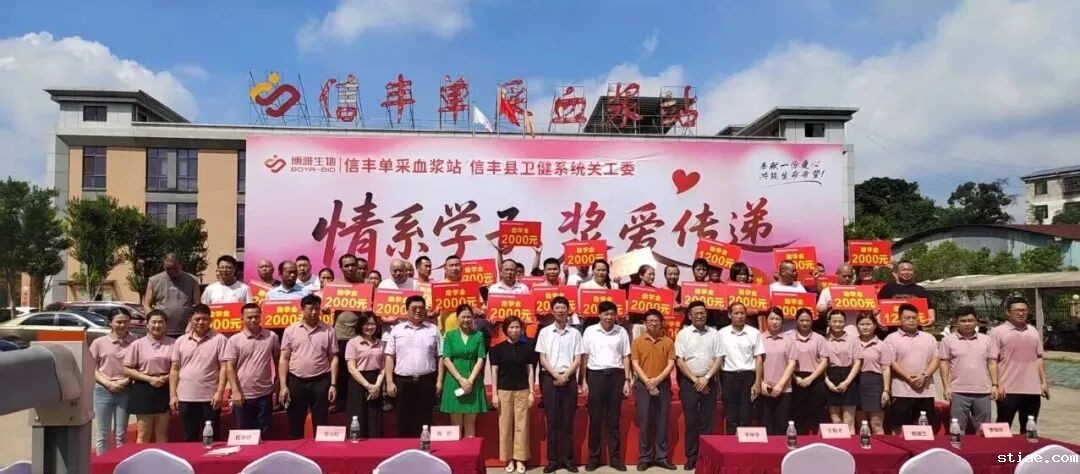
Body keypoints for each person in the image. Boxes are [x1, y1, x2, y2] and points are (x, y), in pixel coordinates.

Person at [279, 294, 339, 439]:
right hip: (296, 381)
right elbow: (284, 358)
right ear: (302, 309)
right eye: (310, 309)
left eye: (317, 309)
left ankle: (321, 450)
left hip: (321, 381)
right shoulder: (291, 330)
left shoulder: (328, 330)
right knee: (295, 421)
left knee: (321, 421)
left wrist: (333, 384)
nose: (314, 313)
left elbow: (334, 358)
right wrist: (283, 386)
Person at [535, 296, 584, 473]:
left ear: (568, 311)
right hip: (550, 378)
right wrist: (556, 375)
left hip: (569, 379)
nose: (561, 311)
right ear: (552, 310)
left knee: (567, 421)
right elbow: (542, 358)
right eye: (557, 307)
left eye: (563, 307)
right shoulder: (545, 332)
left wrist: (566, 376)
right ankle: (553, 460)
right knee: (553, 421)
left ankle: (568, 459)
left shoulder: (575, 333)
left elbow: (578, 358)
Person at [581, 301, 631, 472]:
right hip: (595, 375)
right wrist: (584, 381)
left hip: (616, 376)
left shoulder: (621, 331)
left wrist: (627, 380)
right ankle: (593, 458)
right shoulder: (590, 331)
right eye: (606, 314)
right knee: (595, 420)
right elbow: (585, 357)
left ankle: (615, 458)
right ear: (599, 315)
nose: (609, 317)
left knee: (614, 420)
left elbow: (626, 357)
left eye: (612, 314)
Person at [385, 295, 444, 437]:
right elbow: (389, 356)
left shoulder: (433, 329)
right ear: (406, 310)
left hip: (427, 381)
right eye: (414, 308)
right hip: (403, 382)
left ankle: (424, 447)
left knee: (425, 420)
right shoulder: (397, 330)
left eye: (421, 308)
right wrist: (389, 381)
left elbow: (440, 356)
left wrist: (439, 380)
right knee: (403, 420)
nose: (418, 311)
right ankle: (405, 447)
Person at [169, 304, 228, 442]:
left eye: (205, 319)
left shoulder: (220, 339)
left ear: (210, 320)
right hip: (185, 397)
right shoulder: (181, 341)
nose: (201, 322)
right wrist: (173, 395)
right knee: (189, 438)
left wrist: (220, 392)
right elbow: (175, 369)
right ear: (190, 320)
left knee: (211, 438)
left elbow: (224, 367)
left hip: (210, 398)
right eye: (197, 319)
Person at [674, 301, 721, 471]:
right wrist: (695, 380)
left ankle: (705, 457)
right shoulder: (683, 334)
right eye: (696, 313)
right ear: (689, 316)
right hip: (689, 382)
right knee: (692, 421)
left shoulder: (714, 333)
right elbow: (679, 360)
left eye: (702, 313)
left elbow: (719, 358)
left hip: (709, 381)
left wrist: (706, 378)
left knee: (707, 422)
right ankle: (691, 457)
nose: (700, 316)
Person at [990, 295, 1048, 433]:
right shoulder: (997, 332)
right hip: (1007, 390)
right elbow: (992, 361)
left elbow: (1039, 358)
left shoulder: (1033, 331)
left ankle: (1028, 448)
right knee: (1003, 427)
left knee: (1029, 429)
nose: (1021, 313)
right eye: (1017, 310)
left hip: (1032, 389)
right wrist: (996, 384)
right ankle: (1000, 448)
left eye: (1024, 310)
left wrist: (1044, 382)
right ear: (1008, 312)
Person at [223, 303, 280, 438]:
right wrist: (235, 391)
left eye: (256, 316)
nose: (253, 320)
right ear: (242, 318)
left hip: (264, 394)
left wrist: (277, 380)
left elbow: (278, 359)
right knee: (244, 435)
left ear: (261, 317)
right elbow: (229, 367)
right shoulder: (234, 340)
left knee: (265, 434)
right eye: (249, 317)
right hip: (242, 395)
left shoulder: (271, 337)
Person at [940, 306, 999, 434]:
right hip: (958, 392)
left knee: (983, 429)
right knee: (957, 429)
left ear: (976, 321)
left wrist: (995, 385)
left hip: (983, 392)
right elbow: (944, 364)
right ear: (956, 322)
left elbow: (992, 363)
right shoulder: (947, 340)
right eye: (963, 321)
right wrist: (946, 387)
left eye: (970, 320)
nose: (967, 324)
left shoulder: (987, 340)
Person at [630, 310, 677, 471]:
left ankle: (661, 457)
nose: (653, 323)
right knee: (645, 422)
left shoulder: (668, 341)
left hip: (662, 385)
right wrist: (648, 382)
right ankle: (645, 457)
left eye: (656, 320)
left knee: (662, 421)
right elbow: (635, 364)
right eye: (650, 321)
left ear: (662, 322)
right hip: (643, 385)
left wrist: (657, 380)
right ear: (645, 323)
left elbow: (671, 364)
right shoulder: (637, 342)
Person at [490, 316, 536, 474]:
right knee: (505, 426)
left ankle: (520, 459)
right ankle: (508, 459)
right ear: (505, 330)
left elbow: (530, 371)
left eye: (517, 327)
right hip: (504, 391)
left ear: (521, 329)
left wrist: (531, 392)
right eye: (511, 327)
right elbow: (494, 372)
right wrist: (494, 394)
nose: (515, 330)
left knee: (522, 426)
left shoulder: (527, 347)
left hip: (522, 390)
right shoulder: (497, 348)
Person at [884, 303, 939, 433]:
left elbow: (936, 360)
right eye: (907, 318)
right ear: (899, 319)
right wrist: (908, 377)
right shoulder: (891, 339)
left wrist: (924, 376)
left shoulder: (929, 338)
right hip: (901, 391)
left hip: (925, 391)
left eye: (914, 318)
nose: (911, 320)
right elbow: (891, 362)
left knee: (924, 428)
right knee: (898, 428)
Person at [123, 310, 175, 443]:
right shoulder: (137, 344)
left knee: (162, 432)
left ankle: (161, 456)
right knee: (144, 433)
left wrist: (165, 378)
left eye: (160, 322)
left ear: (165, 325)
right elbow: (127, 369)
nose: (157, 325)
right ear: (147, 324)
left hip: (165, 387)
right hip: (144, 389)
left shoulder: (174, 343)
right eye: (154, 322)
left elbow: (178, 368)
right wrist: (150, 379)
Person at [90, 307, 135, 454]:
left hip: (125, 390)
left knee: (121, 434)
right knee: (103, 434)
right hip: (103, 390)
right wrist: (107, 383)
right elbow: (91, 368)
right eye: (118, 322)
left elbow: (139, 367)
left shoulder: (135, 342)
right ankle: (102, 463)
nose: (122, 325)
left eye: (126, 322)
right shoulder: (99, 342)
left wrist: (126, 381)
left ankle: (120, 463)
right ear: (110, 322)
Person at [440, 304, 488, 437]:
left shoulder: (478, 335)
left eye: (469, 317)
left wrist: (470, 380)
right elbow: (446, 359)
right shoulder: (450, 336)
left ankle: (471, 449)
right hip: (454, 380)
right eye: (463, 317)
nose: (466, 320)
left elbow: (480, 359)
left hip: (473, 380)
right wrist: (460, 379)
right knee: (455, 423)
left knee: (470, 423)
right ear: (457, 317)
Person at [718, 302, 764, 434]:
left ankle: (745, 444)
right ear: (729, 315)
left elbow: (758, 358)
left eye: (742, 313)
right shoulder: (721, 333)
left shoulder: (754, 333)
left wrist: (758, 382)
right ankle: (731, 443)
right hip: (728, 376)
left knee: (746, 413)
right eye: (736, 313)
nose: (740, 316)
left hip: (748, 376)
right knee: (730, 415)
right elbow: (718, 358)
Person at [345, 311, 385, 438]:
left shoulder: (381, 344)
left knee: (375, 418)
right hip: (358, 382)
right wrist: (368, 386)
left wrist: (377, 386)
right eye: (366, 324)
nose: (370, 327)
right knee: (357, 417)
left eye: (372, 324)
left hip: (376, 381)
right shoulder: (353, 343)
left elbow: (383, 368)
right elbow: (351, 368)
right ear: (360, 325)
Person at [757, 307, 797, 435]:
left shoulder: (789, 340)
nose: (774, 322)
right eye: (772, 319)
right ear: (766, 320)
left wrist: (780, 385)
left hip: (784, 390)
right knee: (766, 428)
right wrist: (760, 383)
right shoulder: (759, 338)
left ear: (782, 321)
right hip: (764, 389)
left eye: (778, 319)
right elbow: (754, 363)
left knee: (782, 427)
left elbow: (792, 364)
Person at [824, 309, 863, 433]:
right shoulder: (823, 340)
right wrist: (828, 382)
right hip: (830, 377)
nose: (837, 324)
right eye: (834, 321)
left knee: (848, 420)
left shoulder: (853, 340)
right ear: (829, 322)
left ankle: (850, 444)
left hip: (849, 378)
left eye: (840, 321)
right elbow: (820, 364)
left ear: (845, 322)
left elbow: (857, 363)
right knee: (835, 420)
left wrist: (847, 382)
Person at [143, 253, 200, 337]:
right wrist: (153, 322)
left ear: (181, 265)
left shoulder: (192, 280)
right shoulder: (154, 281)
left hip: (186, 331)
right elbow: (146, 305)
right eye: (168, 268)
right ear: (164, 266)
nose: (172, 271)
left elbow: (198, 306)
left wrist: (192, 323)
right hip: (161, 331)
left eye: (175, 268)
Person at [791, 308, 828, 434]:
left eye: (807, 320)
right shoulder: (789, 338)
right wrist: (795, 378)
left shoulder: (819, 338)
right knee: (798, 416)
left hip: (815, 378)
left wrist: (811, 378)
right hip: (795, 379)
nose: (805, 323)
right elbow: (786, 361)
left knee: (817, 414)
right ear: (796, 321)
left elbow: (824, 361)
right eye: (802, 320)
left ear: (812, 321)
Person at [855, 314, 891, 434]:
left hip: (875, 384)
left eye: (868, 324)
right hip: (857, 383)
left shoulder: (882, 345)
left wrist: (886, 390)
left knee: (876, 424)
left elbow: (886, 368)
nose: (865, 327)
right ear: (857, 326)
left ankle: (880, 445)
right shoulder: (852, 343)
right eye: (862, 324)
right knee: (861, 424)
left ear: (875, 326)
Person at [815, 264, 858, 336]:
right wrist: (827, 307)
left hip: (854, 334)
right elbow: (819, 309)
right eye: (844, 276)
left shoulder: (858, 291)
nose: (847, 278)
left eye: (849, 276)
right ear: (837, 275)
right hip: (834, 334)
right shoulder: (827, 290)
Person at [769, 260, 806, 333]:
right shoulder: (771, 288)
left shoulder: (799, 287)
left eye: (795, 271)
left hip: (796, 332)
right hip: (777, 332)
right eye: (793, 271)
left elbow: (807, 308)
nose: (795, 273)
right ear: (783, 272)